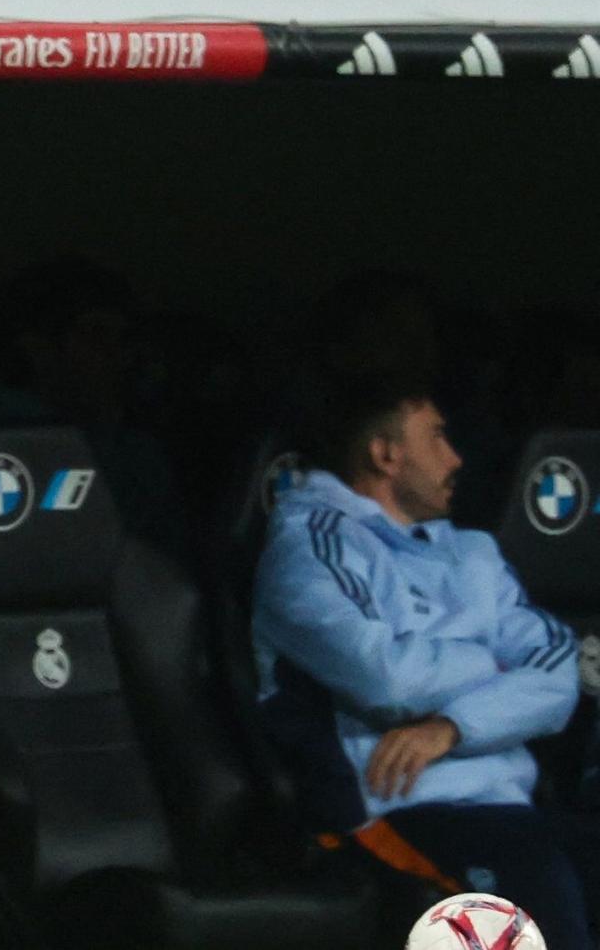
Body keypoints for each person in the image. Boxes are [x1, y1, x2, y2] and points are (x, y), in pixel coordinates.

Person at [252, 371, 595, 948]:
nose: (456, 458)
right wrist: (496, 665)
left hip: (509, 809)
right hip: (392, 811)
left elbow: (559, 674)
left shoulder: (470, 553)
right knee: (535, 905)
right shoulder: (312, 543)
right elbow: (383, 678)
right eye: (436, 437)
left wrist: (453, 727)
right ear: (385, 454)